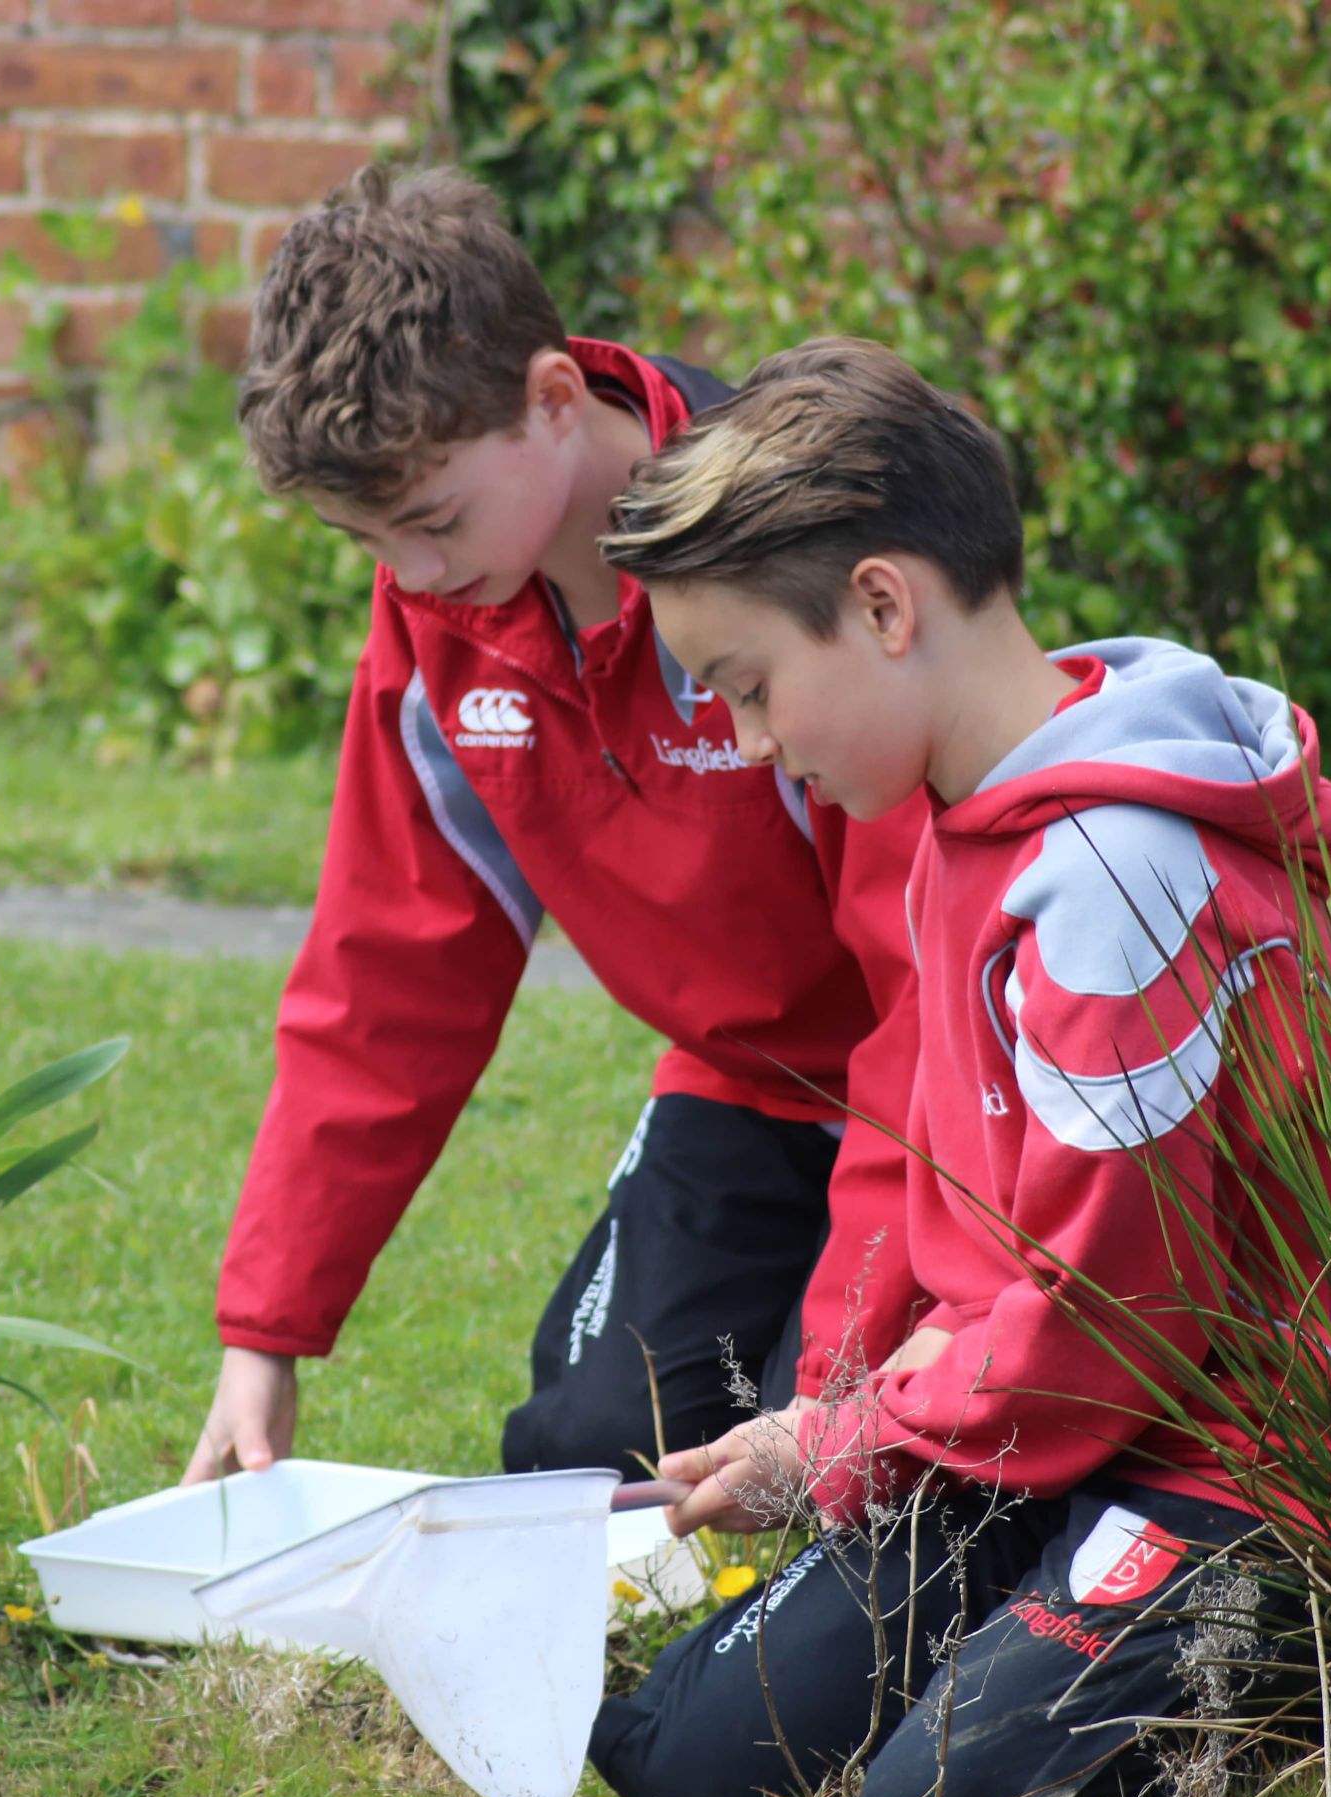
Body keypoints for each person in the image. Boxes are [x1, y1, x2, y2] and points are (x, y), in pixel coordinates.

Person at [586, 339, 1331, 1797]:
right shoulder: (952, 816)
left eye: (751, 689)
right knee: (683, 1772)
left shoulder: (1110, 874)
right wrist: (837, 1416)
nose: (752, 745)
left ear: (885, 606)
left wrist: (845, 1447)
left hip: (1247, 1455)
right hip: (1049, 1428)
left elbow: (1116, 1318)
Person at [181, 168, 927, 1487]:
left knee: (836, 1462)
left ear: (552, 400)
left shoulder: (786, 541)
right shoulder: (444, 611)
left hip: (933, 1098)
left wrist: (826, 1390)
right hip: (743, 1083)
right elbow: (391, 965)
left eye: (430, 521)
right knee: (586, 1465)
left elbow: (930, 963)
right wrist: (266, 1335)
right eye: (370, 544)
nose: (409, 578)